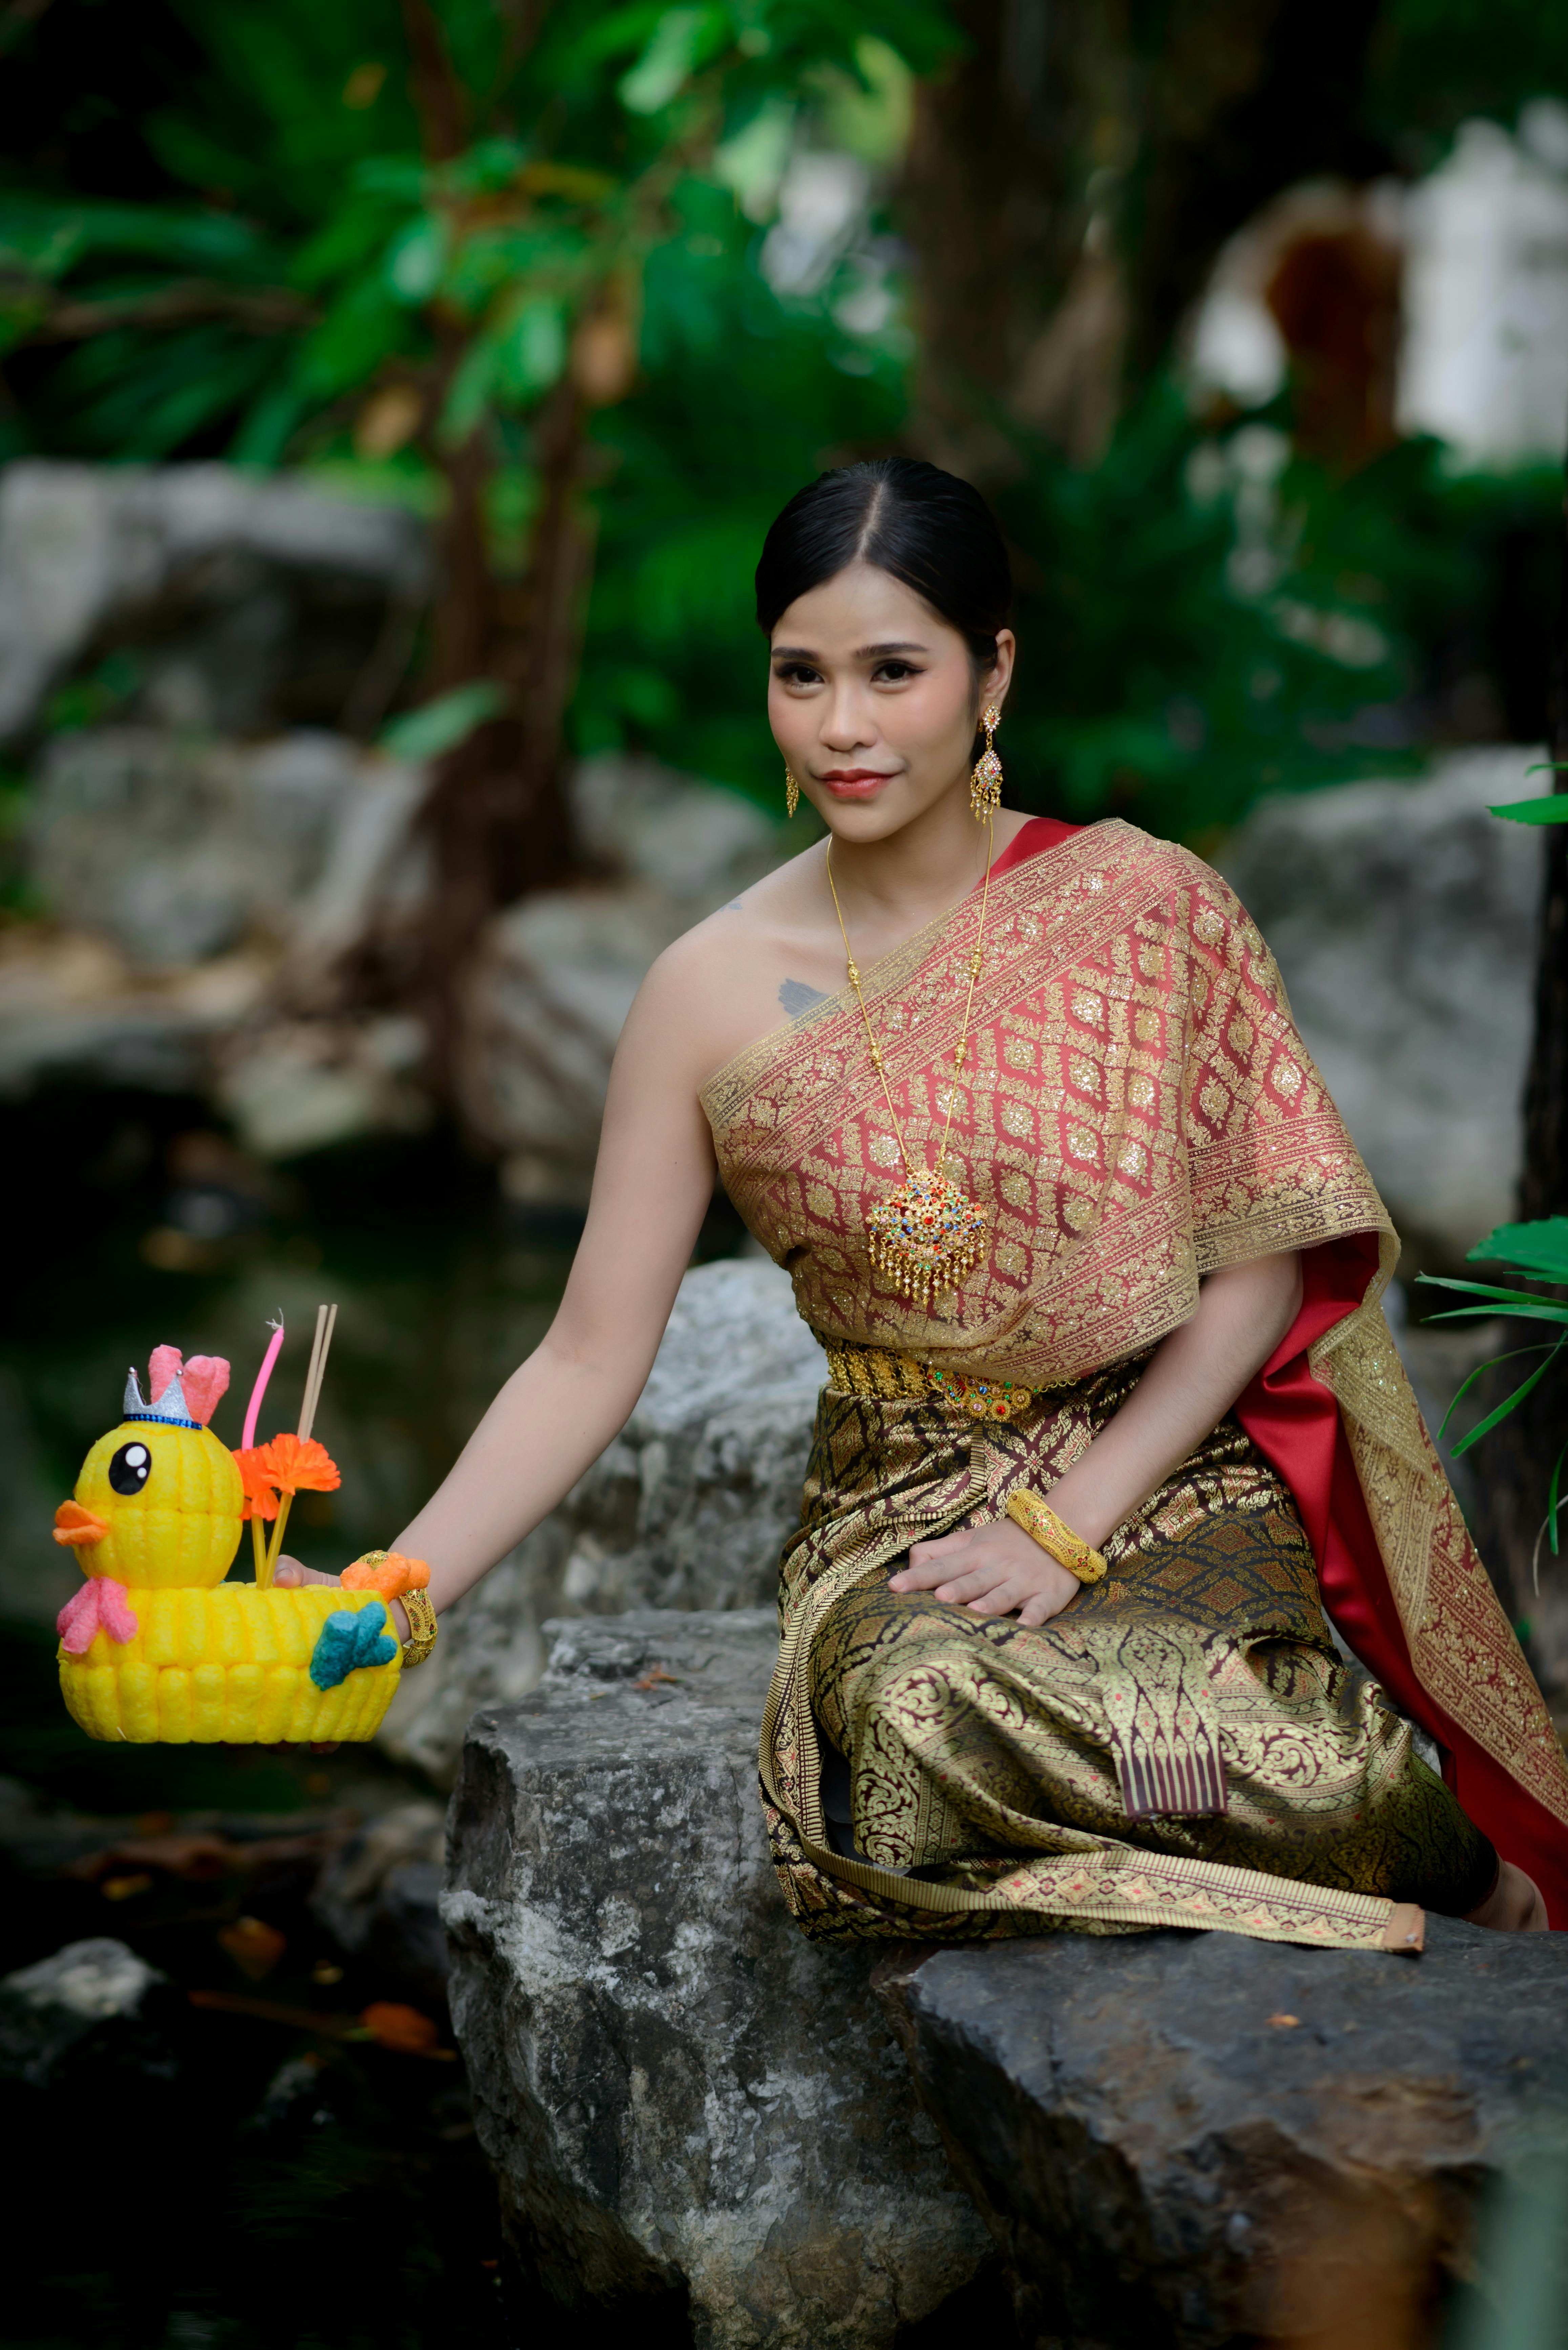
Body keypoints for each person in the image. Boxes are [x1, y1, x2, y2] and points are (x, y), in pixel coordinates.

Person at [282, 458, 1567, 1950]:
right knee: (902, 1725)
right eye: (801, 675)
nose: (843, 726)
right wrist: (391, 1585)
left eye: (893, 671)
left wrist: (1068, 1528)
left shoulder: (1146, 907)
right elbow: (586, 1353)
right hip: (904, 1507)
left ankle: (1467, 1881)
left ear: (992, 673)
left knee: (1352, 1781)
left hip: (1165, 1470)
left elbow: (1258, 1283)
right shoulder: (700, 990)